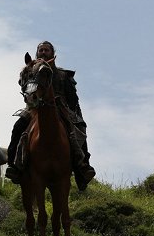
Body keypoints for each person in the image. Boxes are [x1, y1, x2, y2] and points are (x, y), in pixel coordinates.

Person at [5, 40, 96, 190]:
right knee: (18, 127)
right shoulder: (30, 70)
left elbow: (72, 99)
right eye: (41, 50)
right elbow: (23, 85)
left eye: (46, 50)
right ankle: (13, 166)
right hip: (33, 108)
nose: (43, 52)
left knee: (76, 131)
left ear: (52, 54)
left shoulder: (62, 74)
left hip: (59, 108)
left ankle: (83, 167)